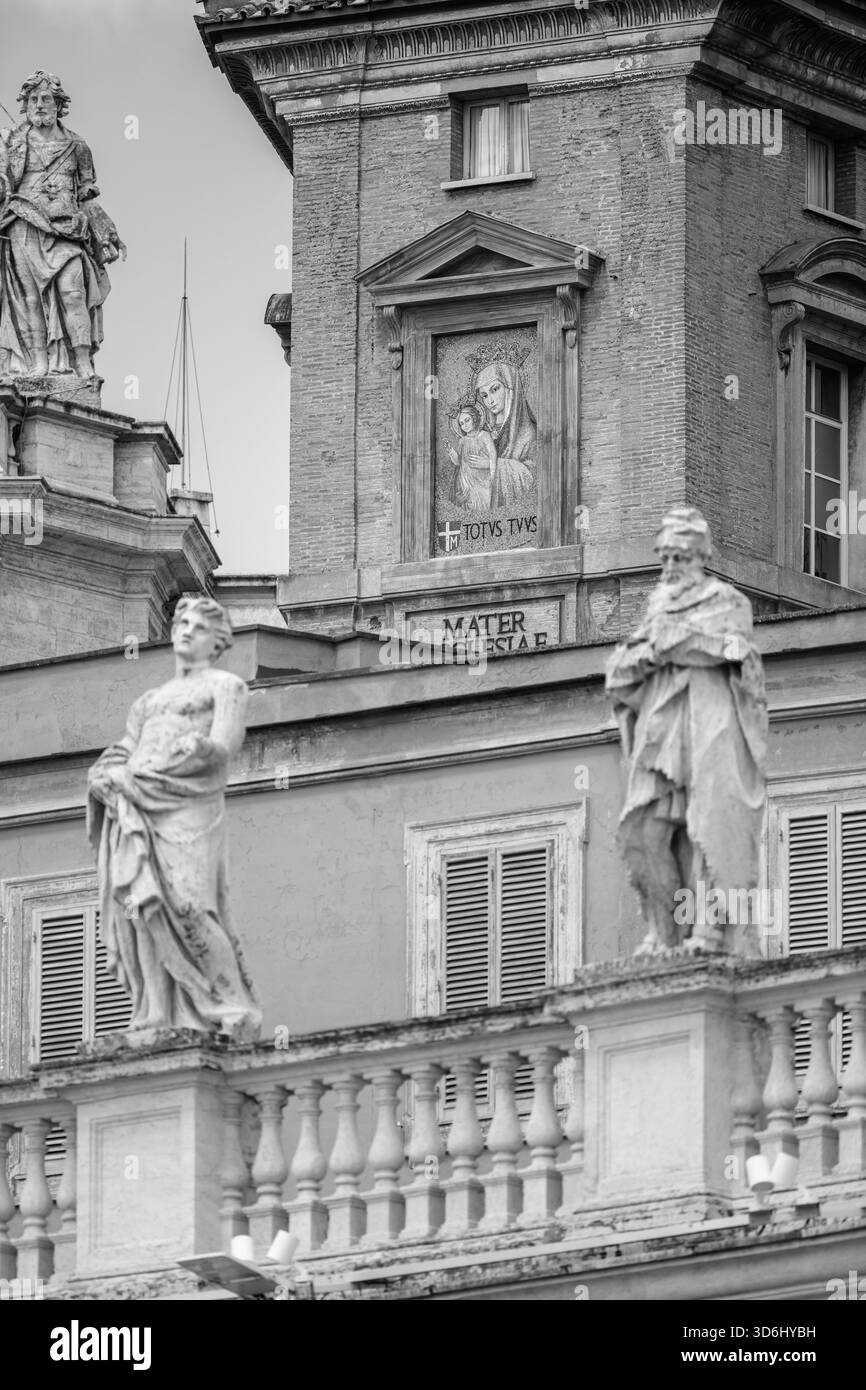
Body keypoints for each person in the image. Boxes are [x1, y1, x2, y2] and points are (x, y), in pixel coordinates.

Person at [87, 596, 262, 1038]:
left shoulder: (226, 686)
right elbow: (125, 750)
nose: (186, 631)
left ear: (218, 641)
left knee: (188, 902)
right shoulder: (149, 700)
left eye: (198, 627)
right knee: (142, 905)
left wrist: (202, 748)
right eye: (181, 623)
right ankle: (155, 1011)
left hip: (189, 801)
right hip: (137, 799)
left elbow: (225, 744)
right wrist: (105, 774)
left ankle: (228, 1002)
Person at [605, 508, 768, 955]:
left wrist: (681, 644)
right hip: (659, 735)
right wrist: (657, 651)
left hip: (707, 729)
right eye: (666, 559)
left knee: (704, 826)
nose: (671, 568)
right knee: (647, 833)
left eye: (680, 557)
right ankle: (664, 931)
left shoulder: (728, 602)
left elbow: (738, 654)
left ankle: (708, 930)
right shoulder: (654, 610)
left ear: (700, 556)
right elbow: (619, 673)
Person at [0, 70, 125, 380]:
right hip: (24, 222)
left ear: (59, 105)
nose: (39, 105)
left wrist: (106, 231)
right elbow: (4, 185)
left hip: (68, 228)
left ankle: (81, 361)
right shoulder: (13, 142)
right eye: (33, 99)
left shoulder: (78, 146)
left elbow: (87, 198)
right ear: (25, 105)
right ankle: (38, 362)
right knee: (30, 298)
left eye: (45, 99)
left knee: (73, 292)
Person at [473, 360, 537, 508]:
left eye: (495, 389)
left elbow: (533, 477)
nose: (490, 400)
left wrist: (491, 464)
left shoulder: (529, 433)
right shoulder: (484, 432)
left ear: (510, 388)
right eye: (484, 395)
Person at [447, 403, 497, 511]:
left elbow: (493, 456)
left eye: (467, 420)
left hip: (483, 481)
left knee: (484, 504)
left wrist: (490, 468)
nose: (465, 425)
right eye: (461, 423)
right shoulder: (462, 441)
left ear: (474, 418)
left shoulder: (485, 436)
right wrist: (451, 452)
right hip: (466, 483)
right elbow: (459, 462)